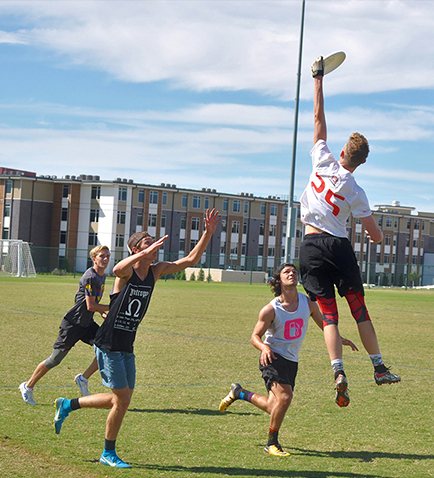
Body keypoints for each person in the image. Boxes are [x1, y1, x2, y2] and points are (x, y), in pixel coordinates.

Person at [52, 208, 221, 469]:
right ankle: (108, 453)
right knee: (123, 400)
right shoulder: (127, 273)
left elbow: (190, 259)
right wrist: (140, 255)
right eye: (147, 243)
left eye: (153, 243)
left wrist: (208, 234)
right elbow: (118, 268)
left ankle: (68, 404)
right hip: (108, 342)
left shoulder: (155, 271)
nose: (153, 246)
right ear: (135, 250)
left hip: (126, 343)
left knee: (123, 399)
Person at [298, 56, 401, 408]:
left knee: (329, 315)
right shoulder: (356, 190)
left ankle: (338, 370)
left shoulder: (322, 158)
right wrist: (375, 235)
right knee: (359, 310)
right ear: (361, 163)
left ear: (341, 151)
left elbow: (317, 118)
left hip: (310, 246)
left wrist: (318, 79)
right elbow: (375, 234)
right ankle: (378, 368)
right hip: (338, 247)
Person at [218, 262, 357, 456]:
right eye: (286, 272)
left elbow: (324, 324)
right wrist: (264, 347)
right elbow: (254, 337)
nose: (292, 274)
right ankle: (271, 443)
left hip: (292, 361)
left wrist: (339, 339)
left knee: (273, 406)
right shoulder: (270, 309)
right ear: (278, 280)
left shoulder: (308, 303)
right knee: (285, 397)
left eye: (294, 271)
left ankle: (238, 392)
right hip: (272, 357)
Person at [19, 245, 111, 405]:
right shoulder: (90, 276)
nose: (105, 259)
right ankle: (27, 386)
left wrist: (102, 312)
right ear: (94, 259)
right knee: (55, 360)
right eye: (102, 256)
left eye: (107, 256)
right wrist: (112, 307)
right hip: (73, 324)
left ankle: (83, 378)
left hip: (87, 323)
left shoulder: (101, 276)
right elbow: (90, 306)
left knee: (106, 348)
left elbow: (92, 304)